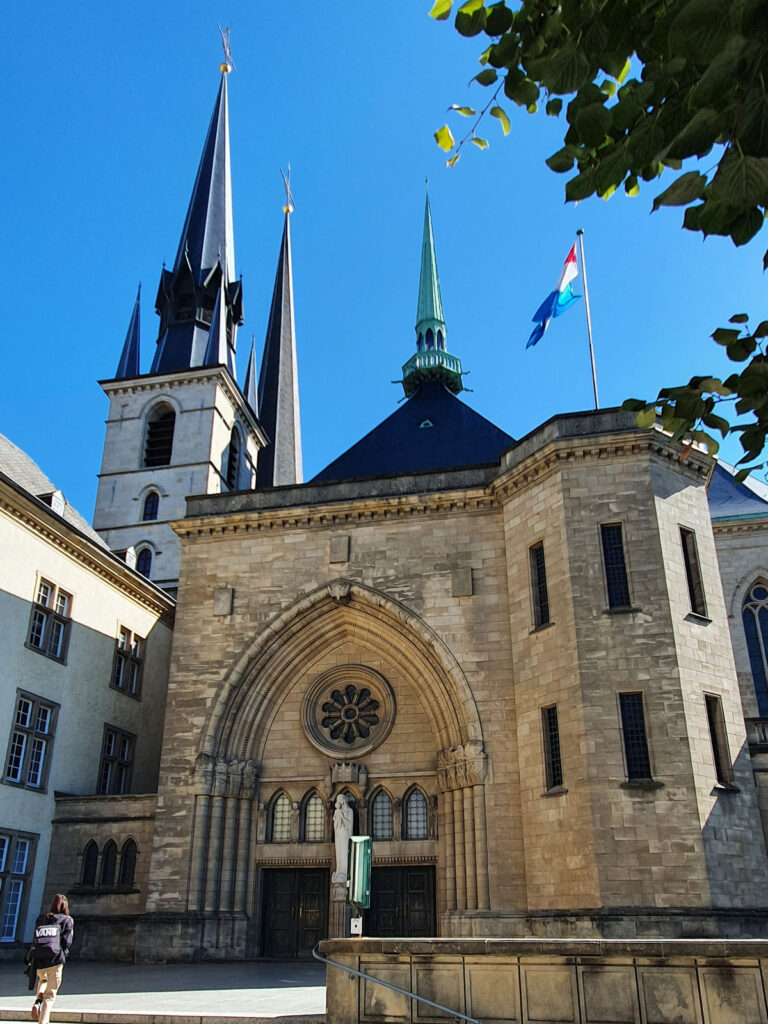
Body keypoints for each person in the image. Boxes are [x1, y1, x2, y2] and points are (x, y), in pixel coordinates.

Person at [30, 894, 73, 1024]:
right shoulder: (67, 920)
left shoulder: (45, 918)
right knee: (50, 996)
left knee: (43, 980)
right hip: (55, 960)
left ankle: (37, 1001)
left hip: (40, 960)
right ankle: (43, 1021)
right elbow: (67, 941)